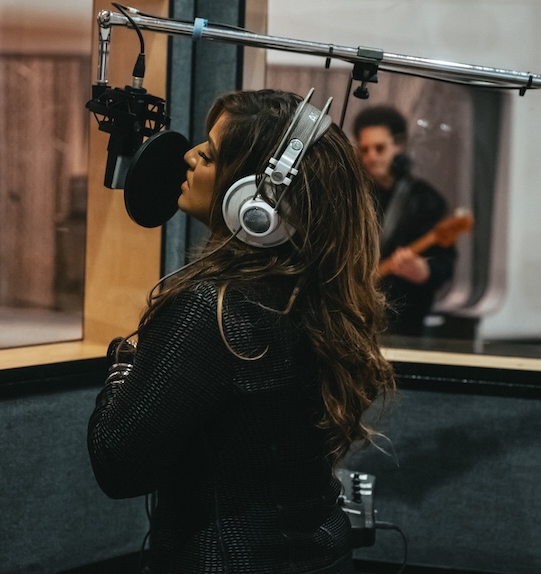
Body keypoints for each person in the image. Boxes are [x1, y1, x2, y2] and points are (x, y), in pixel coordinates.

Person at [87, 89, 395, 574]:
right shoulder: (317, 298)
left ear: (258, 201)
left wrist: (126, 362)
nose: (188, 156)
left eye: (208, 154)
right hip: (323, 558)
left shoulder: (211, 310)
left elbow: (118, 464)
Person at [352, 105, 456, 338]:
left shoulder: (426, 199)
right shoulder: (352, 196)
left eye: (380, 148)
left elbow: (446, 264)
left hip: (404, 322)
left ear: (399, 146)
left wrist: (424, 271)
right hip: (355, 317)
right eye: (364, 149)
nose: (371, 157)